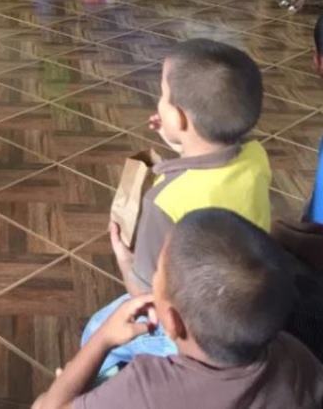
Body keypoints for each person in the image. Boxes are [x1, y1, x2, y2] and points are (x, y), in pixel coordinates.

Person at [82, 38, 271, 375]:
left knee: (97, 330)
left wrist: (125, 260)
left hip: (188, 333)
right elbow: (209, 161)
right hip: (245, 310)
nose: (159, 101)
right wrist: (178, 137)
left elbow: (147, 296)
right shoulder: (257, 158)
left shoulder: (164, 201)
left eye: (163, 94)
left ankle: (112, 388)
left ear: (180, 117)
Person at [32, 208, 323, 409]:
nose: (154, 274)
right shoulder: (296, 358)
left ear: (171, 321)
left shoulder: (147, 386)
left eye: (158, 271)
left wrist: (105, 337)